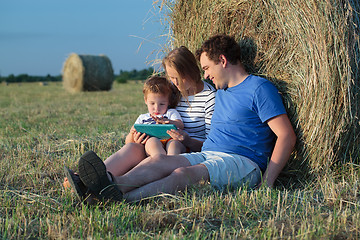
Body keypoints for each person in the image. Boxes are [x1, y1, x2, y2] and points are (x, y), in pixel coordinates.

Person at [73, 34, 296, 203]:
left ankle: (120, 199)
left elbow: (286, 135)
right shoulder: (221, 92)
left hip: (242, 161)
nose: (206, 74)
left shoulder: (259, 88)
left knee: (183, 174)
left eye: (208, 68)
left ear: (223, 60)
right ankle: (108, 185)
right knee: (160, 161)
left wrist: (267, 182)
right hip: (208, 154)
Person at [63, 46, 217, 201]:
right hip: (157, 143)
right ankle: (87, 181)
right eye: (171, 77)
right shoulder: (173, 91)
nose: (174, 83)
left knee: (165, 154)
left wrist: (186, 139)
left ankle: (106, 187)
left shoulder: (210, 97)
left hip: (183, 150)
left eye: (178, 77)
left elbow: (212, 145)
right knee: (132, 146)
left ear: (191, 71)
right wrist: (135, 137)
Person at [127, 76, 184, 156]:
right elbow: (128, 143)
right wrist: (131, 133)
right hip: (151, 143)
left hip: (170, 139)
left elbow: (181, 125)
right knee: (152, 142)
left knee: (174, 144)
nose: (157, 108)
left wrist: (168, 122)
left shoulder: (170, 113)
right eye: (152, 103)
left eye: (162, 104)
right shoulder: (142, 118)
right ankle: (160, 161)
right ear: (146, 100)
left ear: (169, 102)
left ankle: (172, 161)